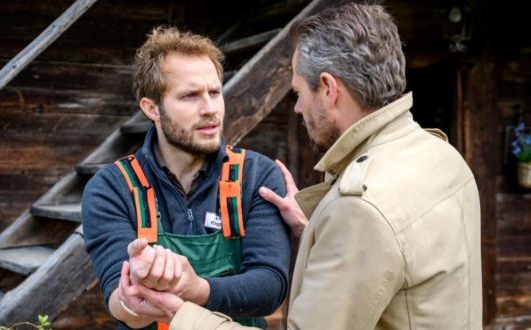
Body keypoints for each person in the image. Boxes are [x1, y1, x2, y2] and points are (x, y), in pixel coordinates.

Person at [120, 4, 483, 329]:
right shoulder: (441, 155)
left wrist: (181, 313)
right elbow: (403, 260)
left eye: (298, 93)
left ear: (328, 88)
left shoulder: (359, 210)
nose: (296, 109)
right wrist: (316, 229)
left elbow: (369, 229)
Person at [81, 26, 291, 330]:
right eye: (190, 95)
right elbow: (118, 299)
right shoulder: (112, 187)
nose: (210, 110)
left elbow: (270, 286)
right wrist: (134, 298)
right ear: (151, 108)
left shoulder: (256, 175)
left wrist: (194, 288)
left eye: (215, 92)